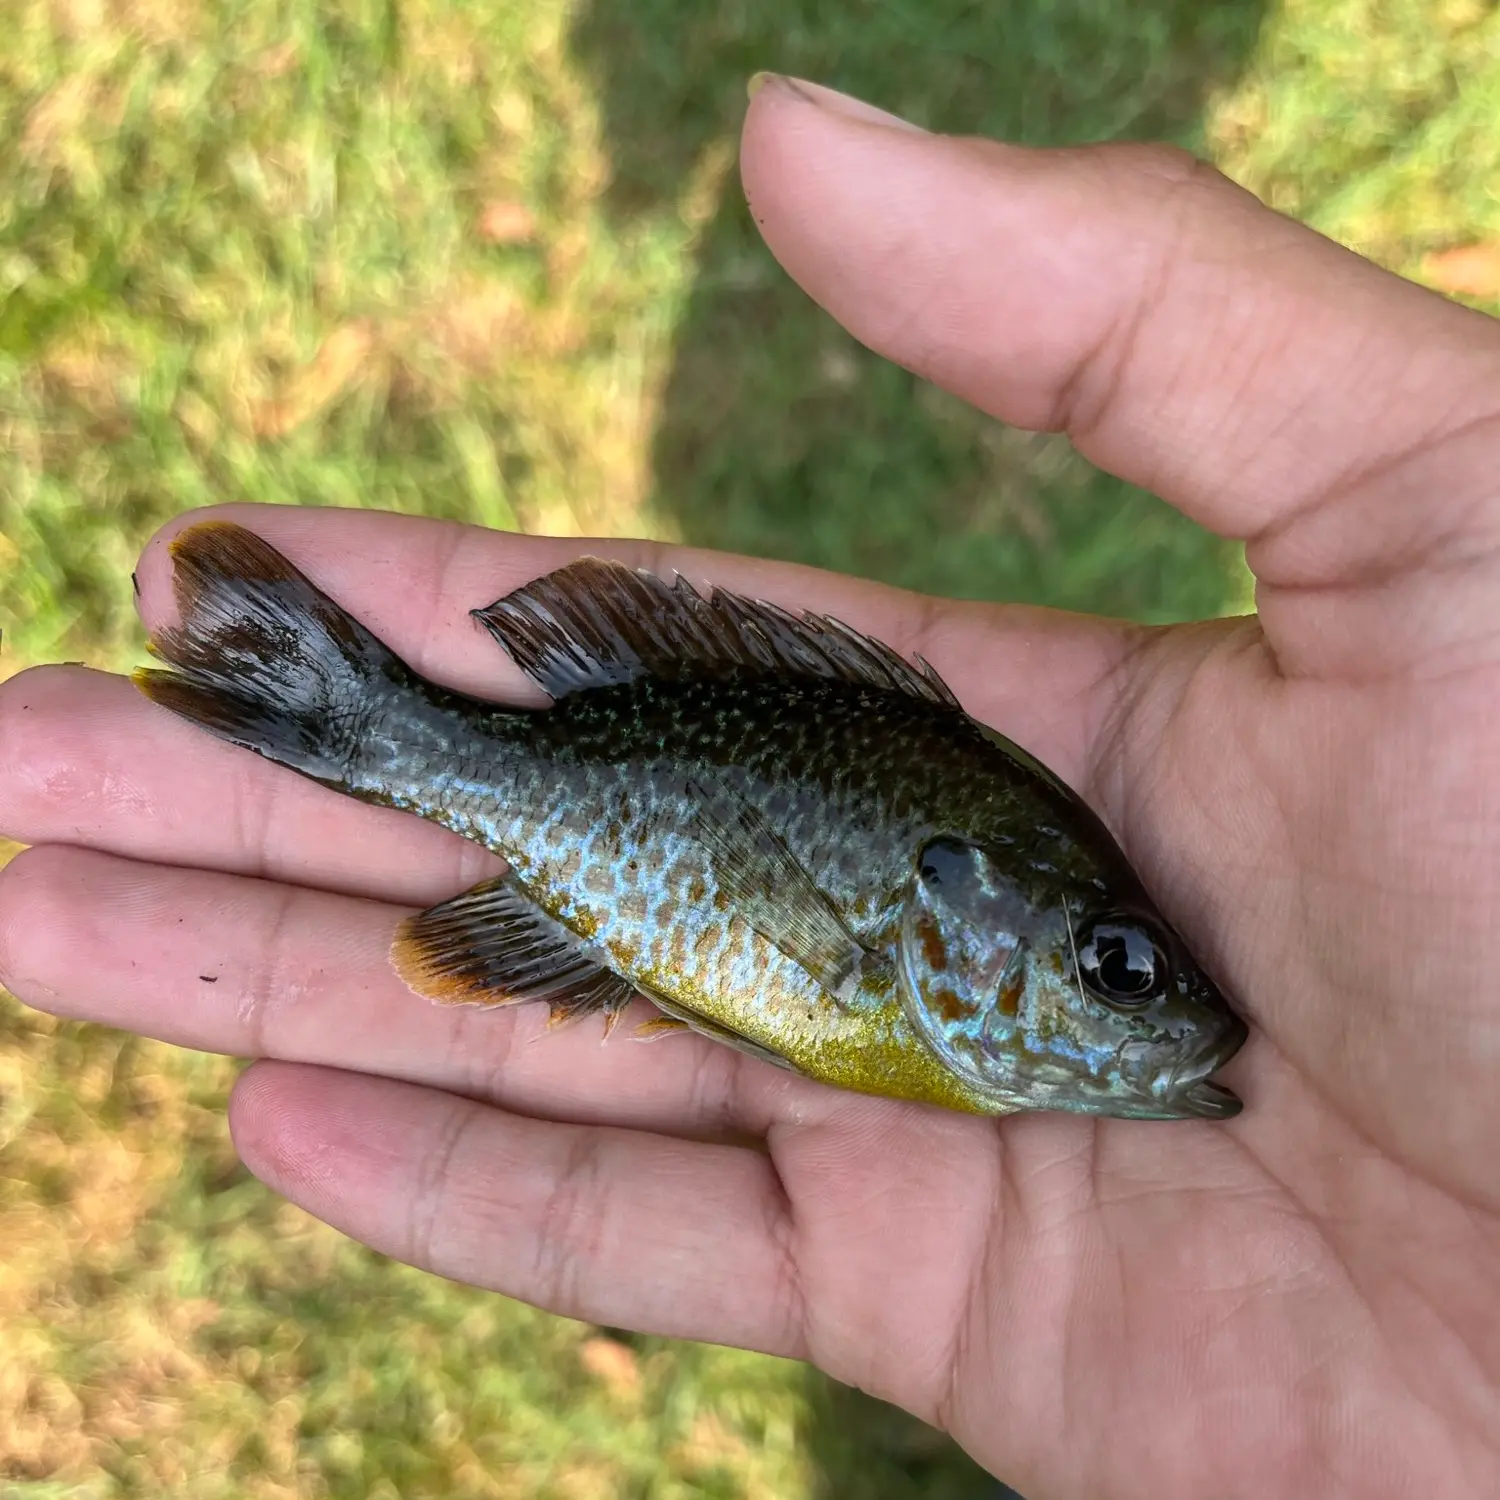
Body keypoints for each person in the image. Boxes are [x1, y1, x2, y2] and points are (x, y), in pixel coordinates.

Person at [2, 74, 1497, 1500]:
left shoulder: (945, 963)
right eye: (1113, 967)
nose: (1155, 1007)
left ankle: (337, 714)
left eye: (1123, 970)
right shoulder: (909, 968)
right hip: (611, 778)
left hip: (624, 826)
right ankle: (347, 716)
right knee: (413, 775)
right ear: (962, 907)